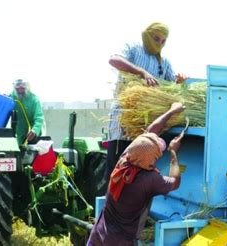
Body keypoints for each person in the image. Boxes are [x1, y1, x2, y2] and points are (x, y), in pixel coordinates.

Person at [88, 102, 185, 246]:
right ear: (151, 160)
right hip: (121, 242)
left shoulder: (124, 160)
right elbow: (175, 182)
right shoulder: (149, 179)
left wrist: (171, 111)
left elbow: (149, 132)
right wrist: (173, 153)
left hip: (98, 236)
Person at [106, 22, 188, 182]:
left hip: (147, 132)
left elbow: (170, 89)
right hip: (124, 126)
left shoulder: (163, 62)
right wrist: (141, 72)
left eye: (163, 41)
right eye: (156, 38)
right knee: (117, 175)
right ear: (147, 34)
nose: (159, 43)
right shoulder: (133, 48)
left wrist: (179, 82)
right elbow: (113, 59)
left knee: (137, 179)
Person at [10, 79, 45, 145]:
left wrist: (34, 130)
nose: (20, 87)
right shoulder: (11, 97)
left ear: (27, 85)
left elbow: (39, 118)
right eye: (17, 85)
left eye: (23, 84)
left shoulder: (34, 99)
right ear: (14, 86)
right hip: (19, 135)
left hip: (33, 136)